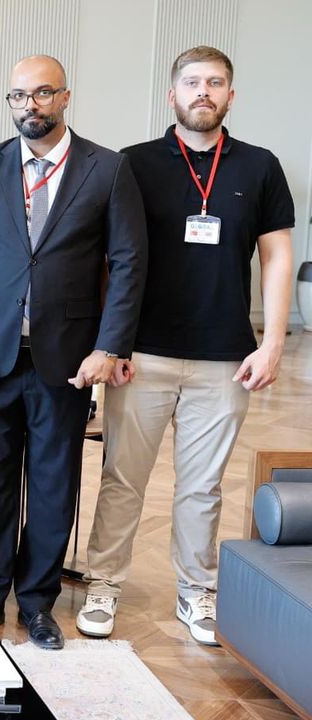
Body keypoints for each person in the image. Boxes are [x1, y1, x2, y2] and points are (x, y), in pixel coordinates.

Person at [78, 46, 294, 646]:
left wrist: (273, 343)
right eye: (193, 82)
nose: (204, 91)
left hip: (226, 358)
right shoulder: (132, 164)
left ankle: (198, 590)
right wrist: (110, 345)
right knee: (122, 479)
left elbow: (277, 259)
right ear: (172, 94)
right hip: (141, 354)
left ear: (231, 95)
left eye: (215, 82)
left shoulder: (260, 166)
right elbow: (108, 261)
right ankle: (104, 583)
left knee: (203, 486)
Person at [0, 55, 146, 649]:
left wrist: (109, 346)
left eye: (40, 93)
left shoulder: (107, 169)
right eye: (18, 95)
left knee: (55, 485)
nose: (28, 105)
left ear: (64, 98)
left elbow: (129, 263)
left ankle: (37, 603)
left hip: (68, 360)